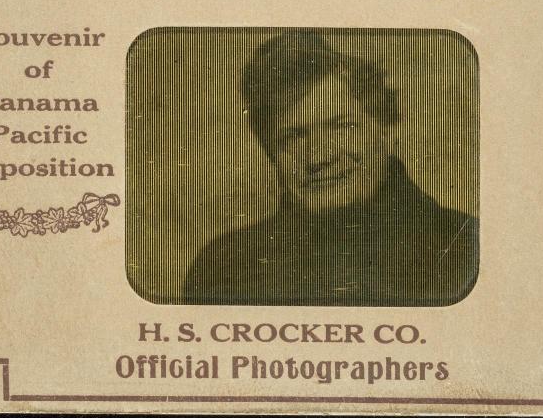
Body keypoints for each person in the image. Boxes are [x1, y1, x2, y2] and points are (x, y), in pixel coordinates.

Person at [182, 31, 478, 306]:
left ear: (388, 131)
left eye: (342, 127)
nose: (318, 157)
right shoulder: (224, 269)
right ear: (271, 153)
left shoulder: (465, 249)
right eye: (292, 137)